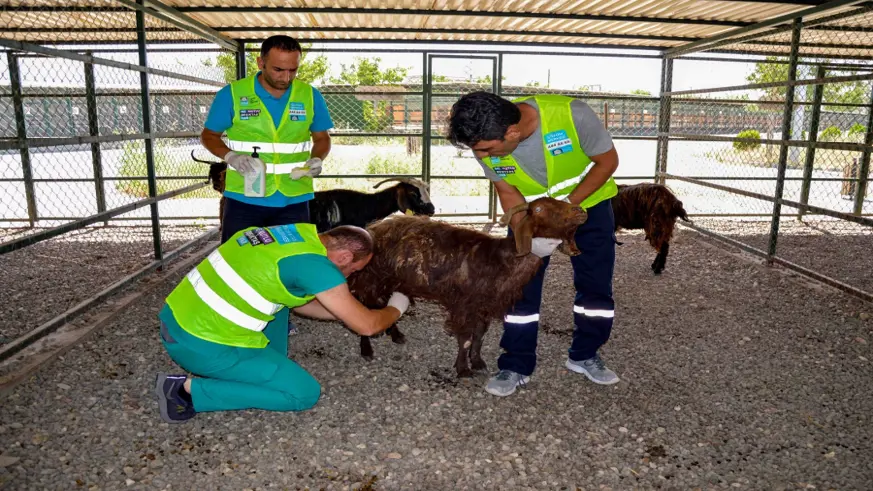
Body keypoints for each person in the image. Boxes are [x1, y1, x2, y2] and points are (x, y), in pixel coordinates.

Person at [447, 91, 621, 397]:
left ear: (512, 132)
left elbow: (607, 162)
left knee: (595, 287)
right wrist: (523, 230)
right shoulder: (483, 141)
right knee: (517, 288)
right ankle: (515, 364)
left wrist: (563, 211)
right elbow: (506, 189)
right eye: (479, 151)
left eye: (487, 149)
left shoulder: (572, 114)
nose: (483, 156)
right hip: (530, 214)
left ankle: (585, 355)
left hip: (588, 208)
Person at [154, 223, 409, 423]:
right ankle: (184, 391)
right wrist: (396, 307)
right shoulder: (315, 266)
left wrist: (346, 311)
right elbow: (368, 326)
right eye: (354, 269)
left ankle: (261, 371)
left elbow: (298, 302)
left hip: (177, 319)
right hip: (200, 344)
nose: (352, 274)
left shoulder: (290, 235)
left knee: (283, 305)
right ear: (343, 257)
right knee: (304, 393)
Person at [200, 35, 333, 244]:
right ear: (261, 63)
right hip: (245, 198)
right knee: (240, 261)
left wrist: (317, 159)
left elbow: (322, 138)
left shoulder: (310, 95)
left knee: (292, 262)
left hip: (294, 198)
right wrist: (230, 156)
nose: (286, 78)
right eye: (278, 70)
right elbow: (209, 135)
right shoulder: (233, 94)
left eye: (293, 70)